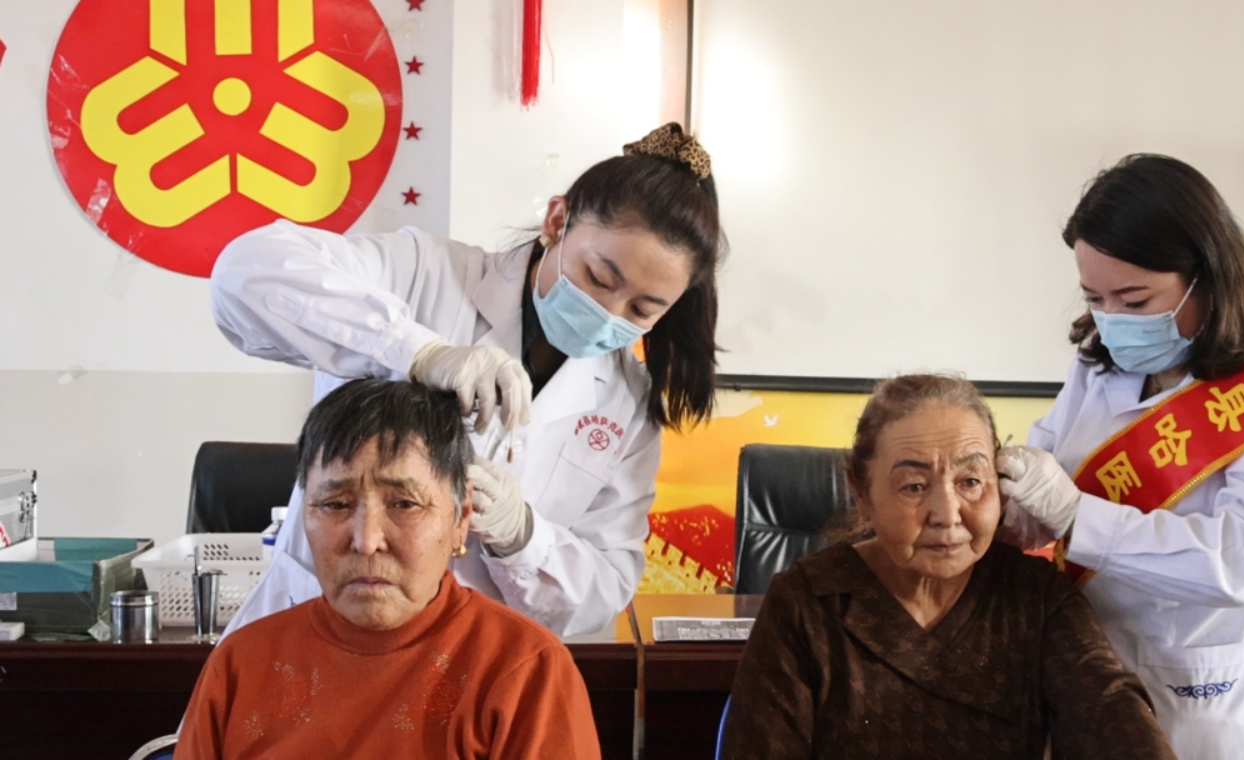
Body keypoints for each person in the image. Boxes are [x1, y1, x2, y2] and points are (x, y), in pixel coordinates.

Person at [212, 123, 723, 637]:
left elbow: (604, 590)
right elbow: (244, 272)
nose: (608, 312)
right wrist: (418, 351)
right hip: (319, 631)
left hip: (472, 655)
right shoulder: (426, 274)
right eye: (599, 278)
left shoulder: (627, 402)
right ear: (556, 221)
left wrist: (523, 536)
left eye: (641, 310)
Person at [997, 154, 1244, 759]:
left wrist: (1078, 518)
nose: (1113, 321)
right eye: (1095, 298)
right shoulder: (1102, 359)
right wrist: (1018, 501)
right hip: (1096, 673)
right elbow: (1055, 455)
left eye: (1135, 301)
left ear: (1207, 275)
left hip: (1219, 698)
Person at [720, 374, 1175, 759]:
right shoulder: (808, 603)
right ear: (861, 492)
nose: (948, 513)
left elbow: (1112, 712)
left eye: (971, 481)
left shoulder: (1036, 598)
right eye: (914, 486)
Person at [176, 379, 601, 759]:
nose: (366, 540)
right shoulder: (240, 665)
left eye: (404, 504)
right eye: (335, 505)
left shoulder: (526, 672)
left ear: (461, 516)